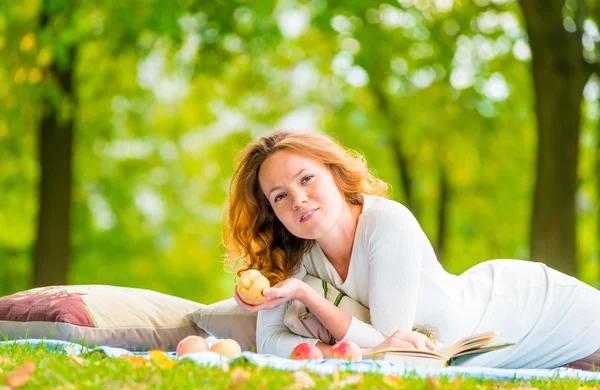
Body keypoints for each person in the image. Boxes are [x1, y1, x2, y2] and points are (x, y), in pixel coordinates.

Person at [224, 130, 600, 370]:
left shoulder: (386, 222)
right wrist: (333, 354)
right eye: (280, 196)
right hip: (492, 347)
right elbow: (271, 341)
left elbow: (396, 347)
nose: (298, 199)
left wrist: (309, 297)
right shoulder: (290, 251)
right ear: (272, 211)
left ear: (334, 174)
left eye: (306, 178)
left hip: (535, 307)